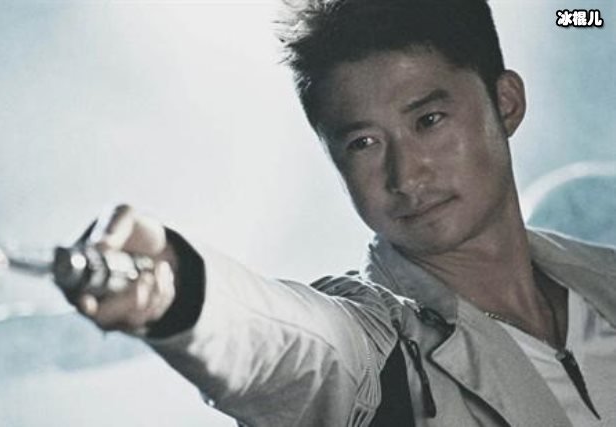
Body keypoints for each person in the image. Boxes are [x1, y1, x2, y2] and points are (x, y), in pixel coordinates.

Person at [68, 0, 616, 425]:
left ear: (506, 103)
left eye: (428, 121)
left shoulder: (603, 280)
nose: (406, 176)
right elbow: (292, 344)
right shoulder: (376, 346)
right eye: (363, 143)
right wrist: (179, 289)